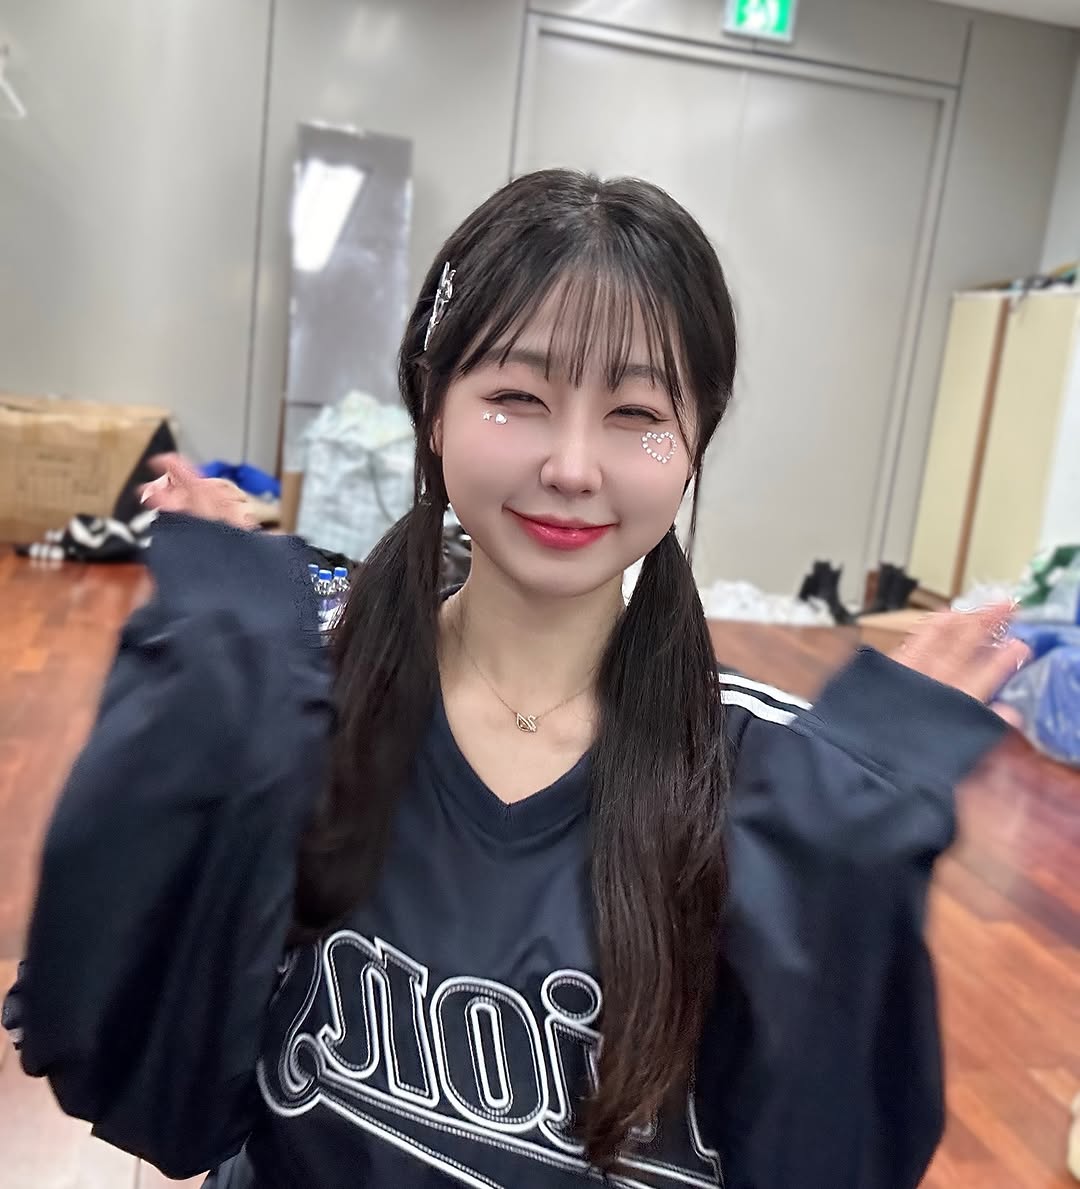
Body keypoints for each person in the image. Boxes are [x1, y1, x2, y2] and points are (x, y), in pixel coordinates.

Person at [5, 169, 1028, 1189]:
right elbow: (154, 1083)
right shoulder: (298, 704)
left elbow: (827, 1153)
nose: (574, 466)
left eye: (636, 412)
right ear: (433, 408)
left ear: (694, 444)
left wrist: (852, 868)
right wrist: (210, 690)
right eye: (516, 398)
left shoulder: (777, 797)